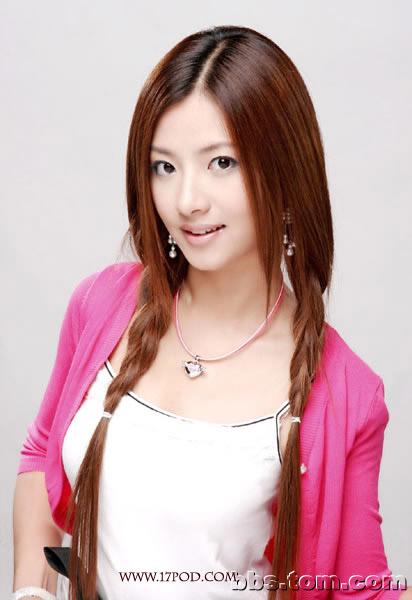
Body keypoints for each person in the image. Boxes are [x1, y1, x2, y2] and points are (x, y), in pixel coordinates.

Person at [12, 25, 411, 600]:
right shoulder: (100, 305)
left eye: (221, 163)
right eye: (164, 167)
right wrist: (31, 591)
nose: (186, 201)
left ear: (285, 171)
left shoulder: (345, 393)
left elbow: (362, 591)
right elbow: (41, 453)